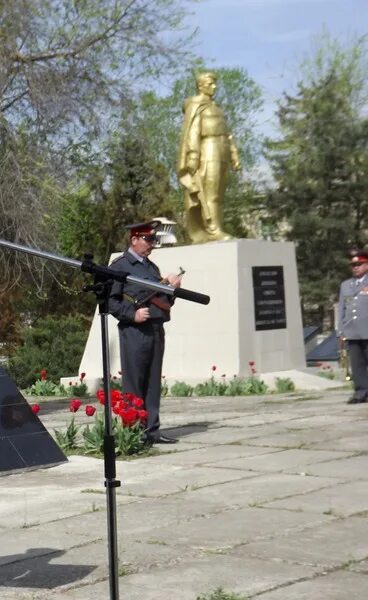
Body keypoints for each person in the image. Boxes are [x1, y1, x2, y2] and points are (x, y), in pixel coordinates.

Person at [108, 221, 183, 444]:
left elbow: (162, 302)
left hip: (155, 330)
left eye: (153, 240)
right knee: (134, 382)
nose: (152, 244)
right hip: (134, 331)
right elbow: (110, 302)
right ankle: (133, 433)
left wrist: (173, 290)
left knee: (152, 381)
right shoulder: (120, 266)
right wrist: (133, 315)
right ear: (134, 240)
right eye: (148, 240)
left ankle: (152, 431)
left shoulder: (151, 268)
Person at [176, 71, 240, 243]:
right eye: (211, 83)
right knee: (210, 193)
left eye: (215, 83)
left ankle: (217, 227)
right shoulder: (195, 105)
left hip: (222, 149)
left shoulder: (217, 107)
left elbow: (227, 133)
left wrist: (234, 152)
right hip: (208, 149)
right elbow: (192, 131)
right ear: (201, 85)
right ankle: (213, 230)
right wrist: (192, 156)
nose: (215, 86)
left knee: (219, 195)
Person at [337, 249, 368, 404]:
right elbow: (342, 308)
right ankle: (361, 392)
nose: (356, 267)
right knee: (357, 365)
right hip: (353, 331)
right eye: (353, 265)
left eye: (359, 264)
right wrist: (341, 331)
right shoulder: (346, 285)